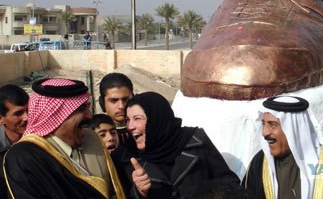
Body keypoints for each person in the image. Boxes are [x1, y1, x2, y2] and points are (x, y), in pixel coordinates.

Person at [3, 78, 125, 198]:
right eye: (81, 109)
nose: (89, 115)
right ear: (56, 114)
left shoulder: (93, 139)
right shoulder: (24, 157)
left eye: (88, 107)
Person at [112, 92, 240, 198]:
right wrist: (139, 193)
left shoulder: (195, 140)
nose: (130, 127)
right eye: (128, 120)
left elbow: (229, 183)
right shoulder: (126, 157)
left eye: (137, 118)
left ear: (157, 119)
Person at [243, 95, 323, 198]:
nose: (264, 132)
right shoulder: (259, 163)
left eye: (272, 125)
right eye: (263, 124)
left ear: (293, 130)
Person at [0, 84, 29, 199]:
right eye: (18, 113)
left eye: (28, 110)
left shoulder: (40, 139)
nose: (26, 117)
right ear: (1, 119)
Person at [99, 72, 134, 146]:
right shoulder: (94, 135)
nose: (121, 106)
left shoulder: (144, 131)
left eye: (126, 100)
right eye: (114, 100)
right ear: (102, 102)